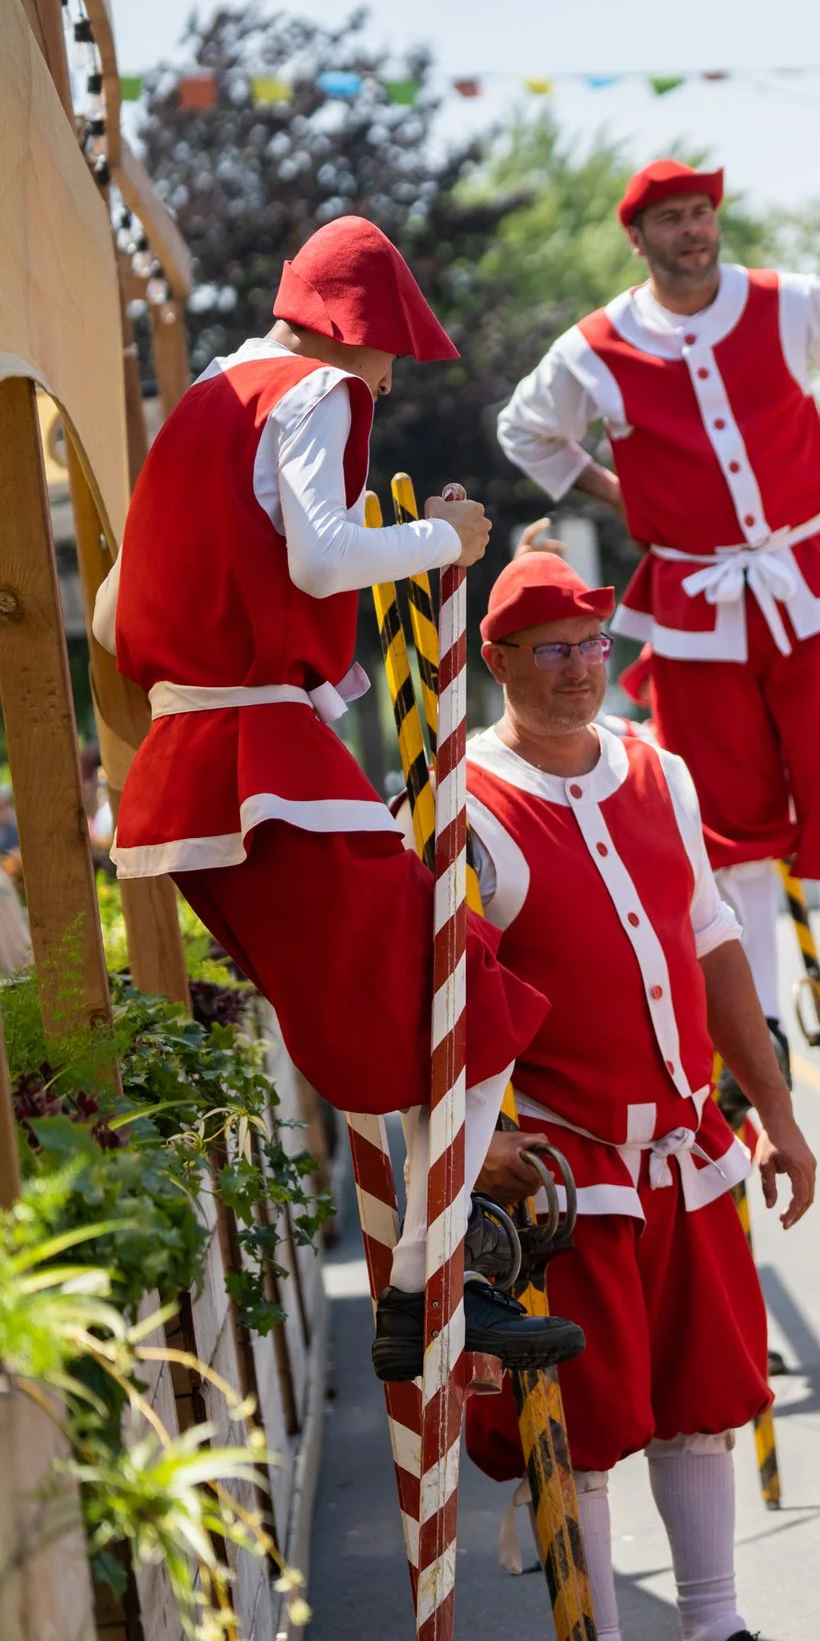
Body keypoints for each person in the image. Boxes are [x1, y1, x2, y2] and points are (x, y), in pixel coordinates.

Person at [100, 215, 579, 1380]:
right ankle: (428, 1291)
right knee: (460, 993)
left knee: (420, 1013)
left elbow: (121, 617)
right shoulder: (311, 394)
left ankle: (435, 1277)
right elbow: (320, 558)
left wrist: (294, 668)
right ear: (353, 329)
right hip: (268, 772)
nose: (389, 374)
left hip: (206, 773)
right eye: (391, 348)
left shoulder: (200, 407)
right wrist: (442, 538)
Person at [496, 159, 820, 1085]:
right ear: (639, 237)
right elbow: (526, 430)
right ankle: (764, 1024)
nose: (693, 231)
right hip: (696, 600)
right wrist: (622, 495)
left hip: (807, 576)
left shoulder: (789, 303)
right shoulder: (597, 345)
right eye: (672, 219)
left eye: (702, 213)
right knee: (727, 818)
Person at [458, 554, 813, 1641]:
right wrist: (490, 1138)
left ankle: (716, 1623)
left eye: (593, 643)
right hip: (568, 1169)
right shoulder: (462, 803)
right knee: (584, 1417)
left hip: (688, 1145)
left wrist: (778, 1113)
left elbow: (714, 944)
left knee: (705, 1398)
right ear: (499, 658)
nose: (579, 669)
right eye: (553, 649)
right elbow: (444, 998)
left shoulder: (660, 769)